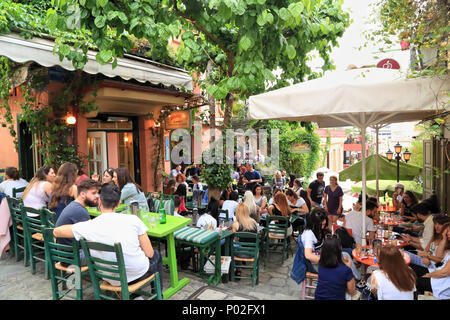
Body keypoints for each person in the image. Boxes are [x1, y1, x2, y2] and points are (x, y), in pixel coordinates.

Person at [53, 183, 163, 291]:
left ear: (99, 202)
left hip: (110, 278)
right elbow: (149, 253)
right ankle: (157, 294)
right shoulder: (134, 220)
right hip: (137, 274)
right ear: (118, 203)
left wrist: (78, 227)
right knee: (156, 255)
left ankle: (133, 295)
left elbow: (57, 231)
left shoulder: (88, 225)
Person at [55, 179, 100, 250]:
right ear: (82, 194)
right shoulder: (80, 211)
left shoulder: (74, 205)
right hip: (72, 256)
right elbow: (90, 238)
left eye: (98, 193)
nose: (97, 196)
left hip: (65, 253)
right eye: (93, 193)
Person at [314, 235, 356, 300]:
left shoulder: (321, 265)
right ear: (339, 249)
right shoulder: (346, 270)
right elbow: (352, 292)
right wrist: (349, 268)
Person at [415, 224, 450, 299]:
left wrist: (428, 275)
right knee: (412, 272)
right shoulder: (446, 244)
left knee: (412, 282)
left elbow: (445, 272)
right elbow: (438, 255)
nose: (448, 233)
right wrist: (444, 238)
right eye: (448, 231)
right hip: (437, 275)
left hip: (442, 284)